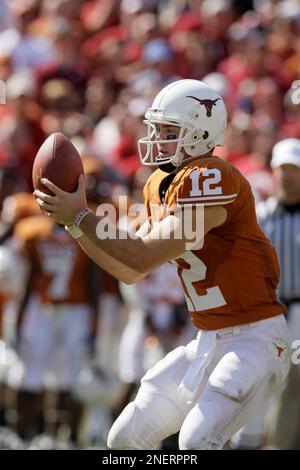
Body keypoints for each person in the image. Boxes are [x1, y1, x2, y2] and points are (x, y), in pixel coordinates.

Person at [34, 79, 291, 450]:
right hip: (207, 340)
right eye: (156, 129)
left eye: (170, 131)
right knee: (124, 439)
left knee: (197, 441)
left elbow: (142, 253)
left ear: (202, 134)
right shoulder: (160, 183)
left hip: (255, 339)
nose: (158, 138)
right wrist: (75, 223)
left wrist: (83, 215)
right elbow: (130, 270)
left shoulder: (211, 176)